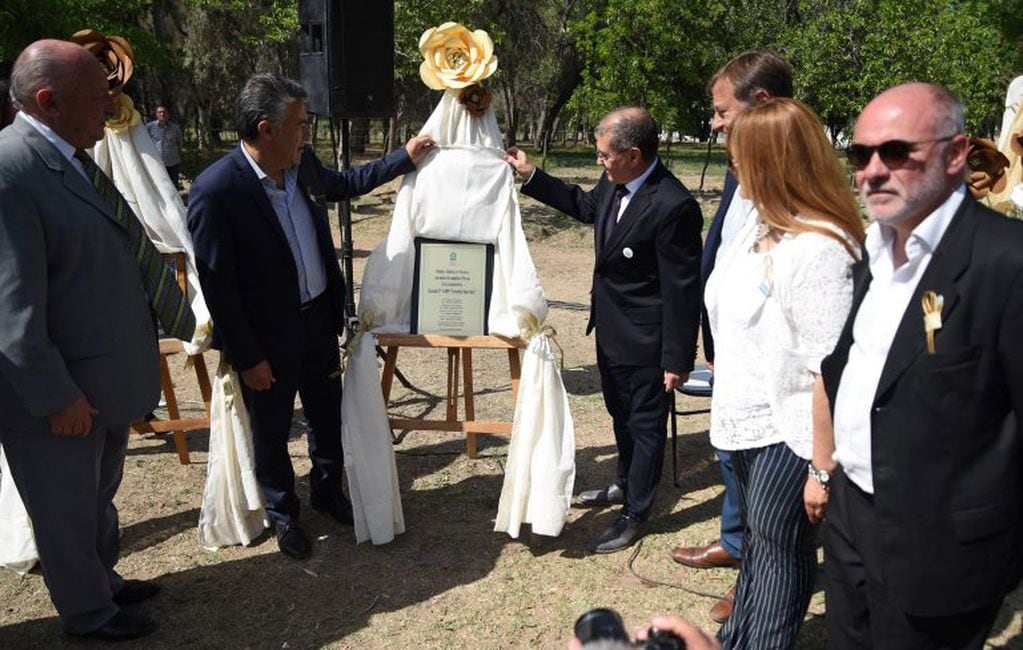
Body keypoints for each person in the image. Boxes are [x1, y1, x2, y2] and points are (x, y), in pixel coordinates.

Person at [807, 83, 1023, 649]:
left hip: (943, 550)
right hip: (852, 517)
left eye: (897, 152)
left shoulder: (1007, 260)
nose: (873, 170)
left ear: (956, 156)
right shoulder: (873, 255)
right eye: (860, 155)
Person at [187, 73, 433, 560]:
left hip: (318, 323)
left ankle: (327, 491)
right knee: (273, 433)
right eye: (300, 124)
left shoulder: (301, 166)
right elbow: (219, 289)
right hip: (266, 342)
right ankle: (284, 514)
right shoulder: (216, 192)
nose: (308, 133)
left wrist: (404, 157)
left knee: (326, 416)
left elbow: (345, 184)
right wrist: (248, 356)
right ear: (266, 129)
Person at [0, 39, 190, 641]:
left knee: (97, 496)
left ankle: (100, 581)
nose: (110, 106)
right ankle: (88, 613)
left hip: (99, 382)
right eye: (95, 95)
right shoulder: (10, 171)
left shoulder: (72, 158)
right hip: (61, 395)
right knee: (64, 509)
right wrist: (56, 397)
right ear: (49, 101)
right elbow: (11, 311)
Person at [505, 107, 703, 553]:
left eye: (604, 156)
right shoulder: (613, 184)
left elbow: (682, 290)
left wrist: (677, 359)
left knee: (646, 424)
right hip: (612, 331)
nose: (599, 162)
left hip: (648, 341)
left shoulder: (674, 206)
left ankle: (635, 512)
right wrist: (532, 175)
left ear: (633, 155)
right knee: (620, 413)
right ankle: (623, 484)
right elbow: (584, 206)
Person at [706, 98, 864, 649]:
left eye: (737, 160)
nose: (732, 172)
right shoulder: (761, 230)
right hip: (744, 416)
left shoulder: (822, 246)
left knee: (779, 551)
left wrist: (822, 468)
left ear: (771, 162)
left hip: (788, 429)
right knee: (759, 543)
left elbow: (831, 367)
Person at [669, 49, 793, 624]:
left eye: (722, 112)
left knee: (765, 479)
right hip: (733, 348)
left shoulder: (788, 174)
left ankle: (756, 580)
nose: (714, 123)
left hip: (769, 362)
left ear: (760, 104)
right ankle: (736, 541)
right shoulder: (738, 164)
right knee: (730, 455)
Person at [146, 104, 184, 187]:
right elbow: (145, 143)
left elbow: (180, 143)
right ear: (156, 114)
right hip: (157, 163)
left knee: (173, 185)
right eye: (159, 112)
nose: (162, 114)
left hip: (173, 163)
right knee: (159, 186)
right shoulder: (149, 127)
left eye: (164, 112)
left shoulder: (175, 128)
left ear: (168, 114)